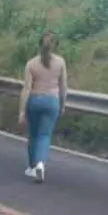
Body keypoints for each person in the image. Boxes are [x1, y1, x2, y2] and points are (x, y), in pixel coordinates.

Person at [17, 31, 68, 183]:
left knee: (33, 135)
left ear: (39, 45)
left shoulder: (31, 64)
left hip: (35, 100)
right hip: (52, 102)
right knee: (44, 135)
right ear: (55, 45)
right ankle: (40, 164)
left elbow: (26, 88)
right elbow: (63, 86)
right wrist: (62, 104)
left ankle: (32, 167)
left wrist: (21, 111)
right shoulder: (60, 62)